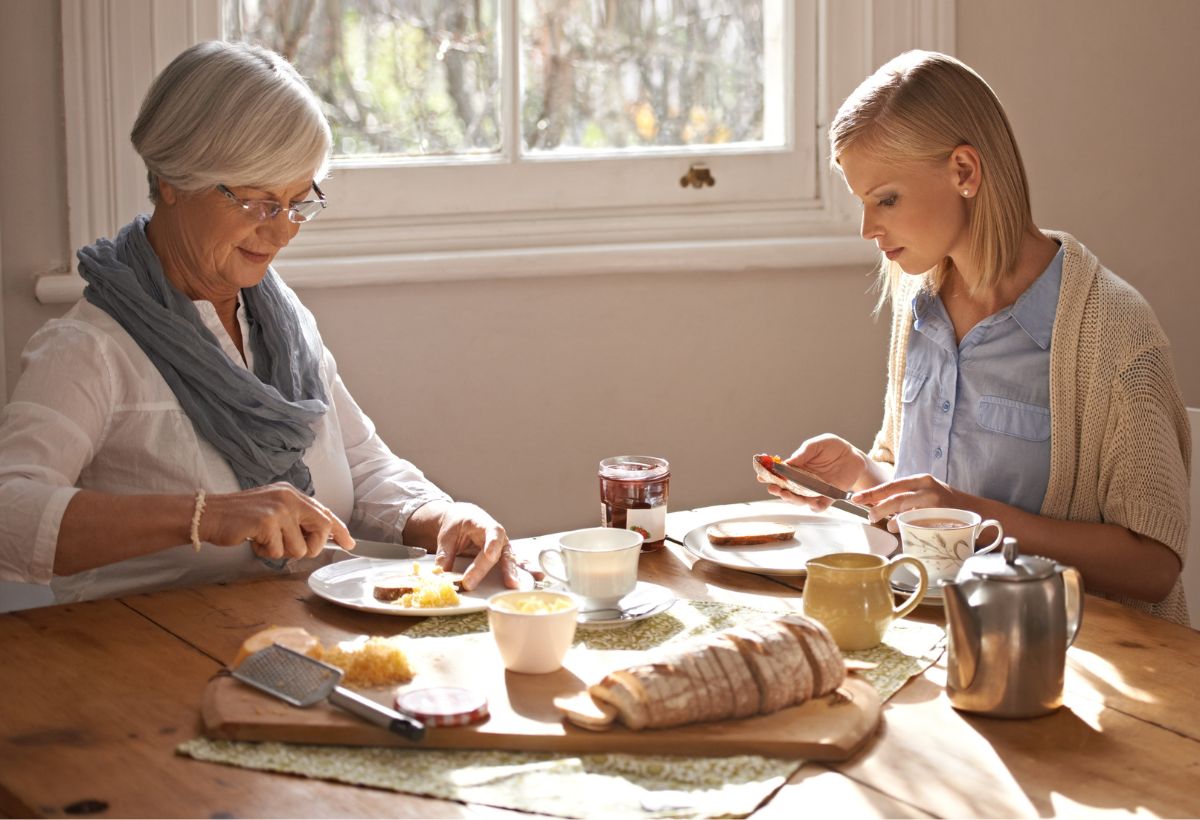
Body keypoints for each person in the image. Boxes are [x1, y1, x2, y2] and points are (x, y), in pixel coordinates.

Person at [0, 40, 533, 603]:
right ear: (175, 180)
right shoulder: (88, 348)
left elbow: (359, 462)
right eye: (257, 202)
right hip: (136, 661)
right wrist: (204, 516)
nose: (282, 233)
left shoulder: (280, 321)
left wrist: (444, 515)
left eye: (299, 203)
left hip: (287, 637)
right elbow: (9, 511)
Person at [766, 51, 1191, 624]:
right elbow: (927, 506)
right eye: (862, 203)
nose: (867, 229)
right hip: (927, 631)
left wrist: (970, 513)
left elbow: (1154, 567)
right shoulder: (919, 306)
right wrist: (860, 473)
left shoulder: (1115, 334)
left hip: (1058, 657)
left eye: (885, 198)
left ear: (964, 171)